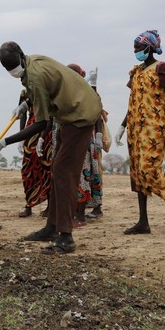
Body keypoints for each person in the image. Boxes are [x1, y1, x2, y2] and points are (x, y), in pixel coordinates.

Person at [0, 42, 102, 254]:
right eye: (8, 69)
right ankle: (52, 227)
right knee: (56, 170)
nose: (13, 71)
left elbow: (41, 123)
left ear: (21, 57)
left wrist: (5, 142)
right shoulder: (32, 62)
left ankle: (66, 237)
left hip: (80, 115)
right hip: (69, 113)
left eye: (14, 66)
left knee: (64, 172)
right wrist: (27, 103)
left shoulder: (34, 76)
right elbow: (44, 91)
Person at [115, 29, 165, 235]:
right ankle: (143, 221)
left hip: (154, 126)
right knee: (137, 172)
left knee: (149, 169)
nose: (135, 51)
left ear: (150, 47)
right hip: (135, 127)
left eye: (138, 47)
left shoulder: (162, 68)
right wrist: (122, 125)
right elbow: (133, 102)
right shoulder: (136, 72)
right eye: (134, 47)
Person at [66, 64, 104, 227]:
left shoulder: (86, 93)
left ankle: (80, 215)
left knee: (83, 176)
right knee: (70, 177)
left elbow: (97, 114)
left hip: (83, 140)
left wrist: (99, 136)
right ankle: (74, 212)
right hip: (68, 139)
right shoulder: (66, 92)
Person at [17, 93, 53, 218]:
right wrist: (21, 135)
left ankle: (50, 206)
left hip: (46, 132)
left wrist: (43, 137)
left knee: (47, 169)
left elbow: (50, 116)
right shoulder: (24, 93)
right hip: (30, 132)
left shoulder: (46, 90)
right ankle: (29, 205)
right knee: (27, 169)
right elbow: (22, 115)